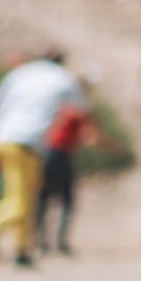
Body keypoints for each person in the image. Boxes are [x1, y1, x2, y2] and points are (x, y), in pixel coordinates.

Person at [0, 50, 87, 268]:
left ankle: (22, 251)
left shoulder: (21, 73)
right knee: (21, 202)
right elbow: (83, 111)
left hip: (0, 136)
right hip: (24, 142)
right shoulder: (64, 78)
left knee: (25, 196)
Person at [35, 79, 99, 256]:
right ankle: (61, 242)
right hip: (61, 155)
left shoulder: (58, 107)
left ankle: (41, 240)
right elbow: (91, 137)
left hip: (46, 152)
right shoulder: (79, 110)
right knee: (67, 200)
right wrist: (116, 149)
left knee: (44, 197)